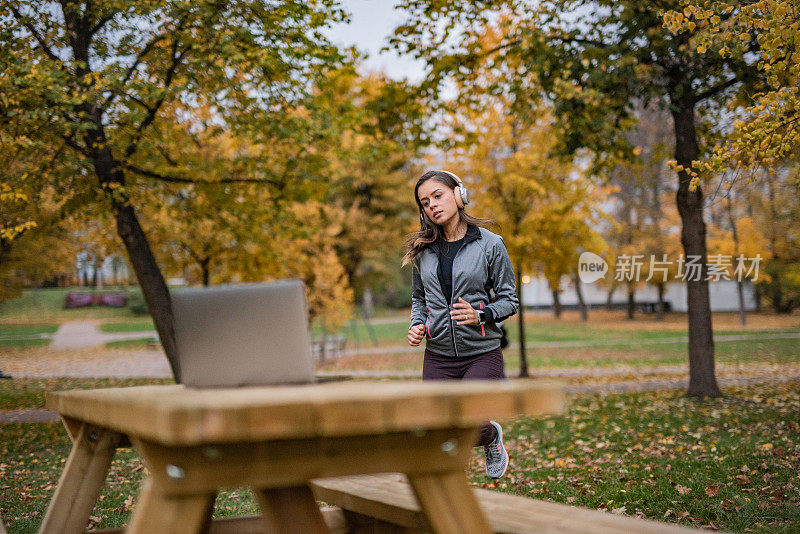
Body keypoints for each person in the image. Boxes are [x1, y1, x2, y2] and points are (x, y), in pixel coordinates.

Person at [402, 169, 519, 479]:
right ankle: (479, 446)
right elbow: (419, 299)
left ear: (459, 194)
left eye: (437, 196)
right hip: (438, 354)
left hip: (481, 352)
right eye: (425, 202)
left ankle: (490, 436)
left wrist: (480, 314)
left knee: (465, 421)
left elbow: (510, 300)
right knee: (438, 427)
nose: (432, 206)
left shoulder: (490, 244)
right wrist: (417, 325)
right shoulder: (423, 251)